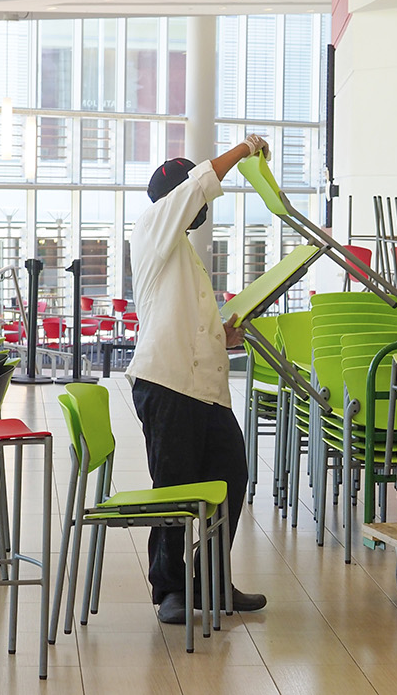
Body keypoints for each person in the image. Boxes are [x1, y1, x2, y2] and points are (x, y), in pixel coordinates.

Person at [127, 134, 272, 625]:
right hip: (166, 382)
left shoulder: (181, 249)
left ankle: (208, 582)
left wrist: (223, 333)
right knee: (174, 485)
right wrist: (244, 148)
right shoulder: (151, 224)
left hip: (203, 390)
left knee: (231, 476)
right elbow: (197, 186)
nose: (201, 204)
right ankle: (168, 589)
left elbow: (183, 317)